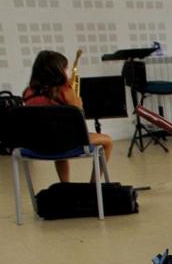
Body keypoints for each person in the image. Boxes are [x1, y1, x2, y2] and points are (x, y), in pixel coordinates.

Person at [22, 50, 114, 183]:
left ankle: (65, 185)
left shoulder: (28, 93)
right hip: (67, 142)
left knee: (57, 139)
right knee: (108, 141)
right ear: (59, 71)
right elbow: (79, 117)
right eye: (65, 68)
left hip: (38, 144)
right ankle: (94, 185)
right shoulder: (65, 91)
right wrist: (78, 101)